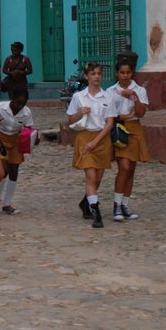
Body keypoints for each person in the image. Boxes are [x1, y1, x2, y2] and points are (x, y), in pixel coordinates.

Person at [66, 62, 117, 229]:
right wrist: (81, 112)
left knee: (98, 178)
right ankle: (97, 213)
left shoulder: (107, 96)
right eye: (93, 74)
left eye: (99, 73)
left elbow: (109, 123)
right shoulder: (79, 97)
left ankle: (85, 201)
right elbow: (70, 120)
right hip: (85, 137)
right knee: (91, 176)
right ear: (87, 76)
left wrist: (96, 141)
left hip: (102, 138)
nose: (97, 77)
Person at [106, 59, 150, 221]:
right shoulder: (110, 91)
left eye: (128, 72)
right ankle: (116, 204)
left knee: (131, 168)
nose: (125, 76)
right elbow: (109, 113)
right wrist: (123, 116)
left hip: (134, 128)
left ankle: (125, 204)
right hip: (118, 128)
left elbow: (140, 112)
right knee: (123, 167)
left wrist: (133, 96)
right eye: (122, 72)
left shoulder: (139, 90)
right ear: (117, 73)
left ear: (132, 73)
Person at [0, 85, 36, 214]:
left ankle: (7, 203)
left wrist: (33, 137)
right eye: (17, 103)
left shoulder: (26, 112)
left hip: (16, 139)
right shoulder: (0, 108)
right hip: (0, 137)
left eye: (23, 103)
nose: (20, 106)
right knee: (3, 170)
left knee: (14, 170)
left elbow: (29, 128)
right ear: (11, 99)